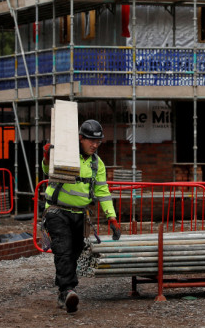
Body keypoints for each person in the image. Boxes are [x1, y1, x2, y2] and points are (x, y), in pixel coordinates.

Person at [41, 119, 120, 314]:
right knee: (63, 249)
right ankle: (68, 290)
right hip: (56, 211)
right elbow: (47, 170)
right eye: (91, 141)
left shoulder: (96, 164)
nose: (95, 145)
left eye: (98, 142)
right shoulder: (66, 155)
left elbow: (102, 190)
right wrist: (46, 156)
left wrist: (112, 217)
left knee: (75, 250)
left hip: (79, 214)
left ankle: (63, 291)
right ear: (80, 138)